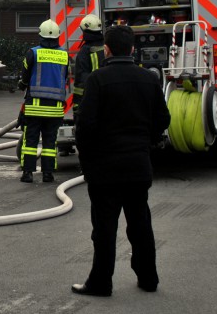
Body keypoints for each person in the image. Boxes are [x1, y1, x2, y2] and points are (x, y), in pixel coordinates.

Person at [71, 24, 170, 297]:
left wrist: (87, 159)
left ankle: (101, 282)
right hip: (138, 165)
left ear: (107, 49)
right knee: (140, 224)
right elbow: (163, 120)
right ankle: (148, 278)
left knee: (104, 228)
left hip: (105, 169)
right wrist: (145, 140)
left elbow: (85, 125)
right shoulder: (149, 79)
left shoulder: (98, 80)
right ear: (133, 49)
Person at [18, 19, 69, 183]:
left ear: (40, 35)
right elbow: (65, 77)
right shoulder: (64, 55)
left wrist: (22, 84)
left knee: (30, 141)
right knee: (50, 142)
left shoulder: (33, 53)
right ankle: (48, 174)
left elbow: (25, 77)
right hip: (55, 108)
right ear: (57, 37)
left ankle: (28, 173)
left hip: (34, 107)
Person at [71, 15, 105, 114]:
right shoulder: (107, 47)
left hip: (92, 98)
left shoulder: (85, 51)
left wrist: (77, 103)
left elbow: (81, 79)